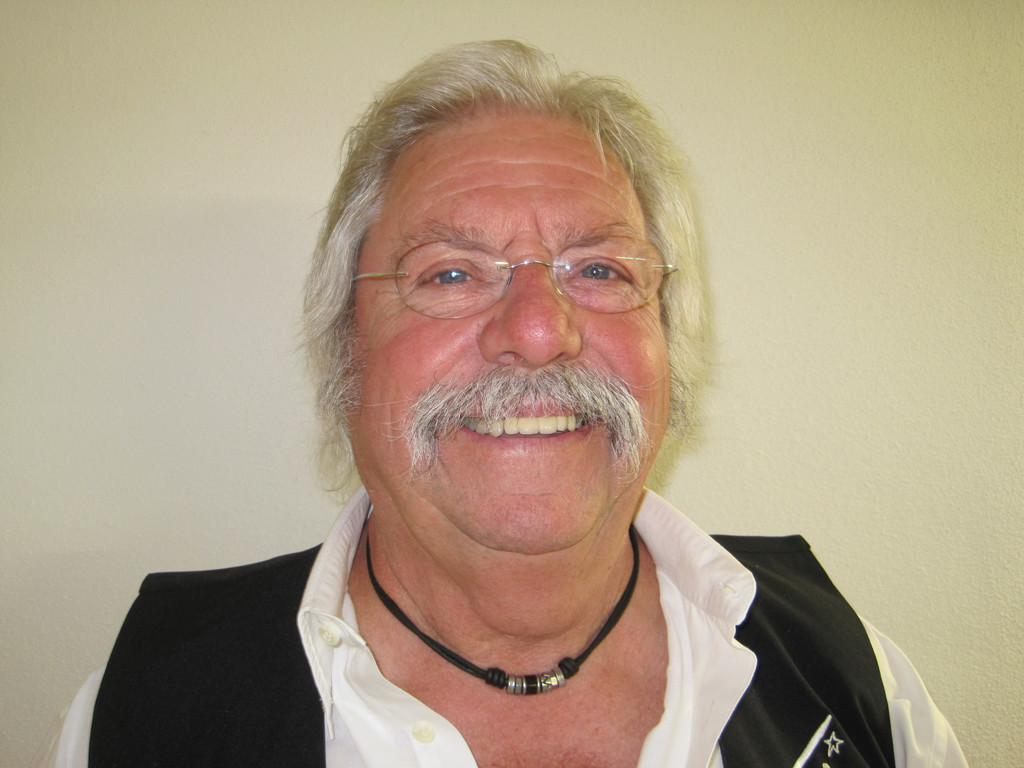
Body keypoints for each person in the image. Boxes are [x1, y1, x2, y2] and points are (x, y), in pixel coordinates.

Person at [40, 40, 967, 768]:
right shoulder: (144, 714)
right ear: (345, 351)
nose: (537, 330)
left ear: (667, 342)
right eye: (450, 272)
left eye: (599, 270)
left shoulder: (849, 669)